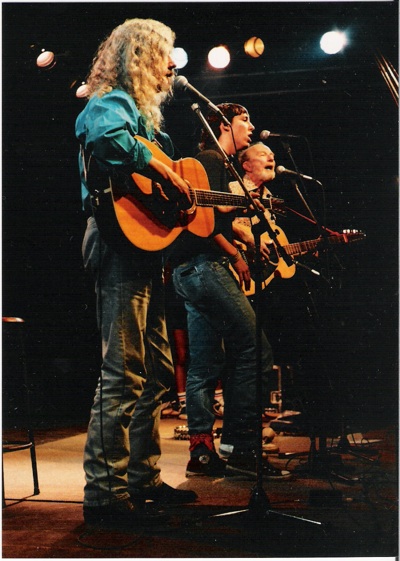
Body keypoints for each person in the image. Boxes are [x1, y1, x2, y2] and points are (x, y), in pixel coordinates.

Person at [75, 18, 198, 527]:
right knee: (122, 370)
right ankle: (104, 495)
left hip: (143, 248)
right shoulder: (110, 103)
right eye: (165, 55)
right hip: (116, 243)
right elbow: (107, 140)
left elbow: (157, 175)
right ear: (142, 57)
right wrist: (165, 170)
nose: (172, 66)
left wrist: (179, 195)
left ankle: (141, 479)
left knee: (154, 371)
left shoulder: (148, 117)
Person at [169, 103, 291, 480]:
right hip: (204, 267)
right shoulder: (211, 160)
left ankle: (203, 452)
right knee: (254, 348)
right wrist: (237, 251)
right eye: (244, 121)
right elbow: (203, 219)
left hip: (187, 271)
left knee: (205, 365)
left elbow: (218, 217)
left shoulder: (216, 164)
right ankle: (241, 447)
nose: (251, 127)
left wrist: (246, 240)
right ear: (223, 125)